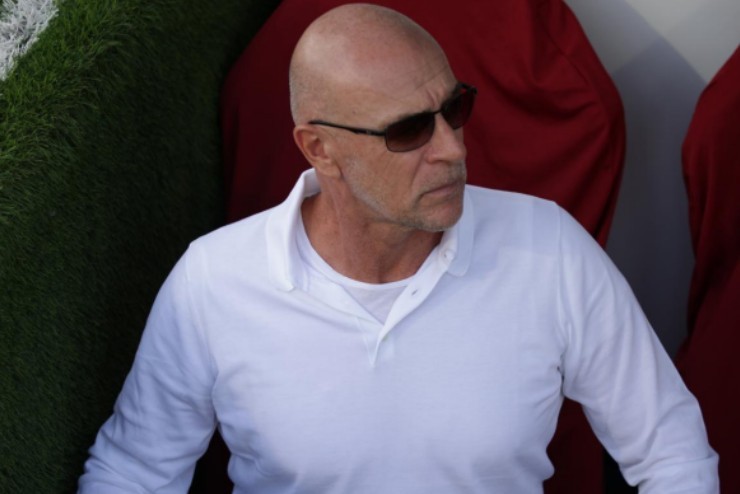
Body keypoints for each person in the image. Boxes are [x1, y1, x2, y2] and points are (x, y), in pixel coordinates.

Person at [78, 4, 718, 493]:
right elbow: (133, 472)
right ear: (319, 149)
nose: (453, 149)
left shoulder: (549, 250)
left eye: (454, 109)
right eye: (408, 131)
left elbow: (671, 449)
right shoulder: (214, 281)